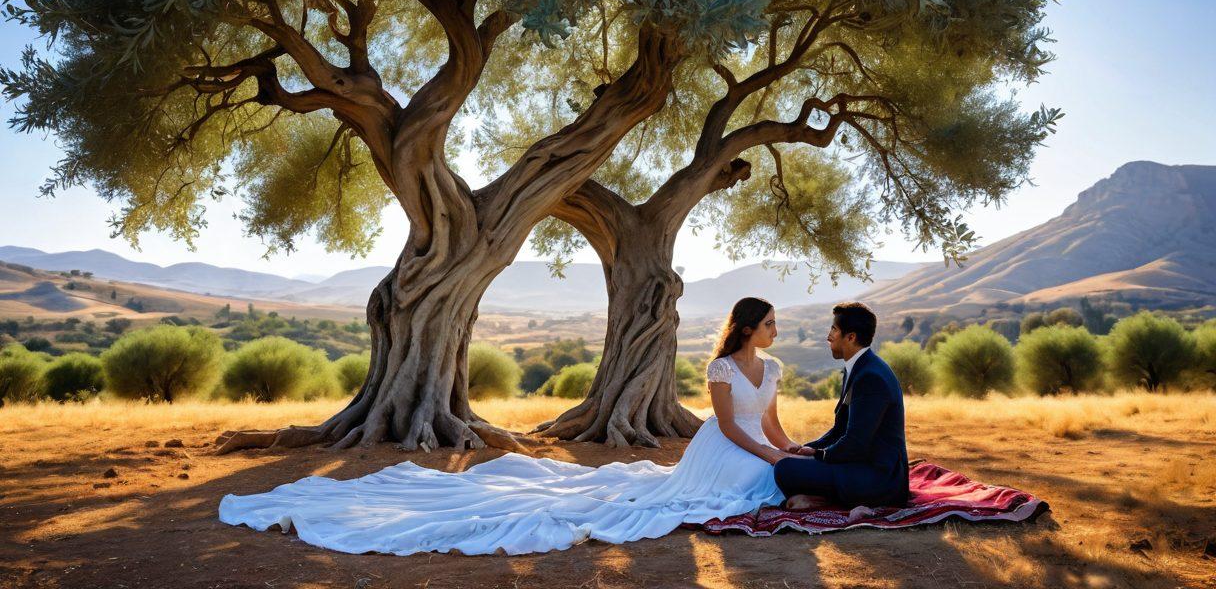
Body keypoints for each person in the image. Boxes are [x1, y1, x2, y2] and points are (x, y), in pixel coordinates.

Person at [218, 296, 802, 556]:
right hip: (724, 446)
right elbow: (728, 426)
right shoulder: (723, 367)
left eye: (776, 324)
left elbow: (772, 422)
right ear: (749, 327)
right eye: (770, 323)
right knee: (761, 480)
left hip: (754, 443)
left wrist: (789, 448)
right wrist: (771, 458)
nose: (776, 331)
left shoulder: (770, 367)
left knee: (783, 469)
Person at [773, 301, 909, 511]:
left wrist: (819, 455)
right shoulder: (857, 368)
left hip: (879, 478)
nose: (828, 336)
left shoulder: (870, 377)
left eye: (834, 329)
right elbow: (840, 429)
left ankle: (825, 499)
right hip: (860, 464)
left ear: (851, 337)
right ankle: (821, 498)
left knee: (784, 469)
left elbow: (855, 443)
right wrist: (809, 448)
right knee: (790, 460)